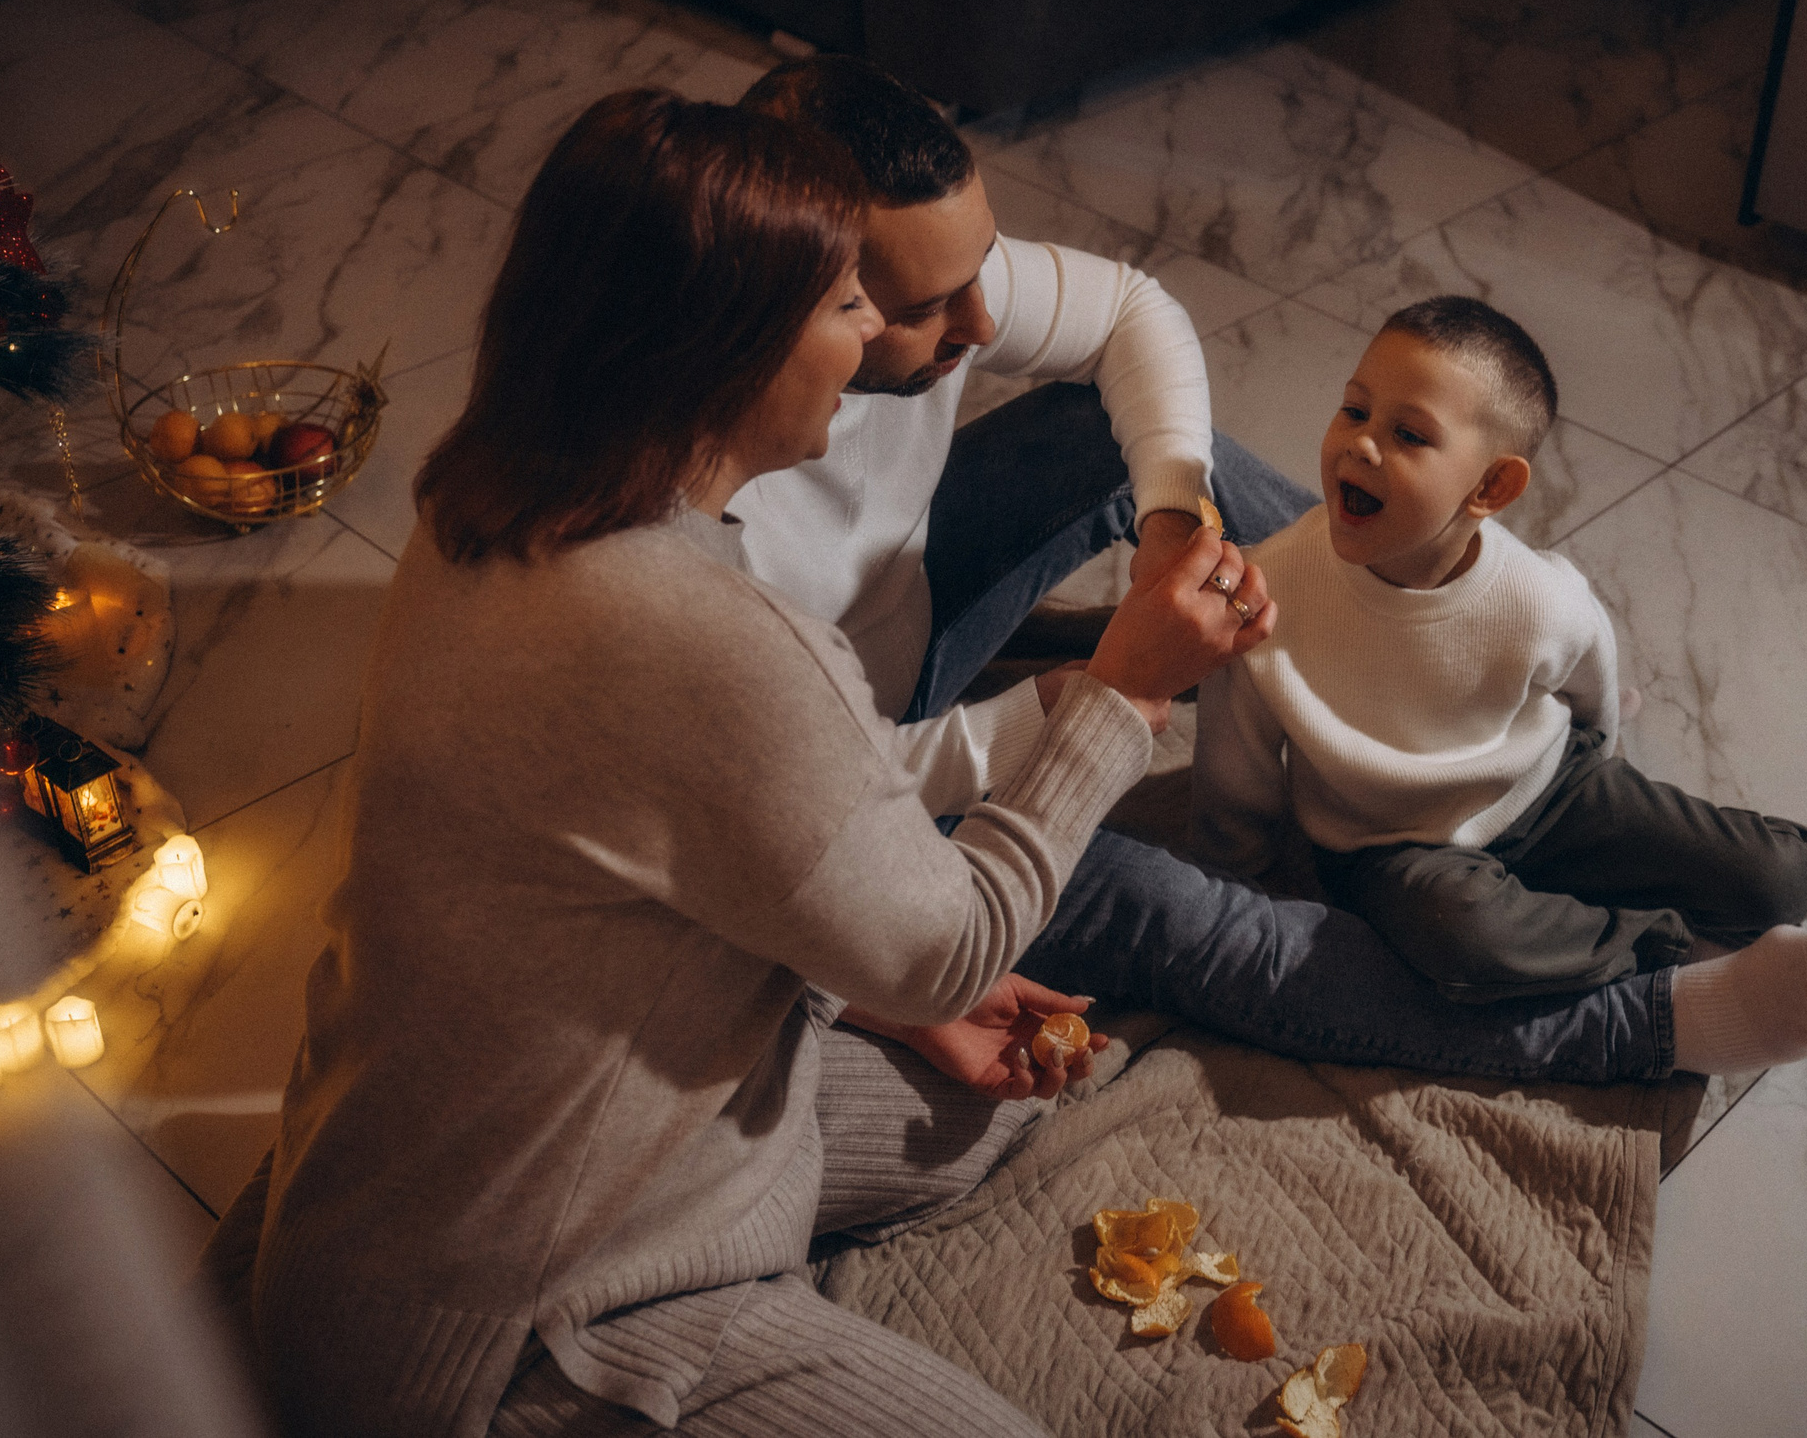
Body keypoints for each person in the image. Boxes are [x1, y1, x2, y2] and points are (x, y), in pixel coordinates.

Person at [212, 88, 1278, 1438]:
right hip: (517, 1321)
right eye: (846, 302)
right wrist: (1121, 696)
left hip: (471, 1160)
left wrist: (875, 999)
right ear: (727, 344)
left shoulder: (492, 495)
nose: (870, 335)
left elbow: (693, 866)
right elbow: (946, 944)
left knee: (997, 1101)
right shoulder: (711, 635)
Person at [727, 57, 1691, 1086]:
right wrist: (1068, 710)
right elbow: (800, 811)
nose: (984, 324)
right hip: (857, 779)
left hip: (896, 630)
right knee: (1178, 913)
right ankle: (1637, 1023)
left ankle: (1434, 645)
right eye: (931, 305)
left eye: (983, 271)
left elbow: (1131, 310)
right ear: (804, 295)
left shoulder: (923, 284)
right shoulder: (695, 547)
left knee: (1138, 446)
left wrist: (1170, 526)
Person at [1193, 297, 1807, 1074]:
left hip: (1547, 791)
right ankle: (1677, 949)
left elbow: (1592, 679)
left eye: (1409, 435)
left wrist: (1600, 752)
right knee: (1461, 936)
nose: (1360, 444)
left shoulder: (1537, 597)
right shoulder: (1273, 587)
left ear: (1492, 486)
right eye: (1354, 409)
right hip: (1388, 846)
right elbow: (1236, 744)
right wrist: (1241, 858)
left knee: (1768, 876)